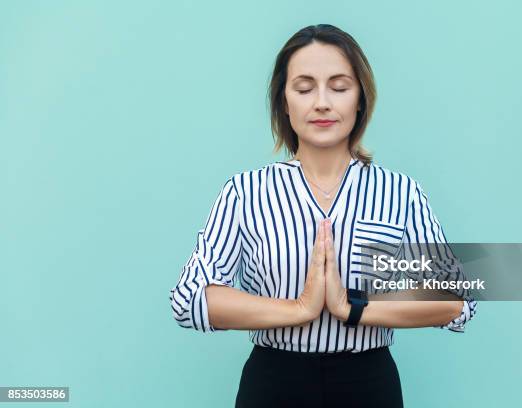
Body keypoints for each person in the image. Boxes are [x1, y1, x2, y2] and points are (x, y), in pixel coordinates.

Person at [169, 24, 477, 408]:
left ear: (361, 99)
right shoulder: (245, 192)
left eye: (339, 86)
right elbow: (190, 298)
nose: (322, 103)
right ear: (283, 101)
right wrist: (299, 308)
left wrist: (351, 308)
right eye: (303, 88)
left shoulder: (401, 193)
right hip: (273, 383)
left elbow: (457, 299)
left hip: (369, 384)